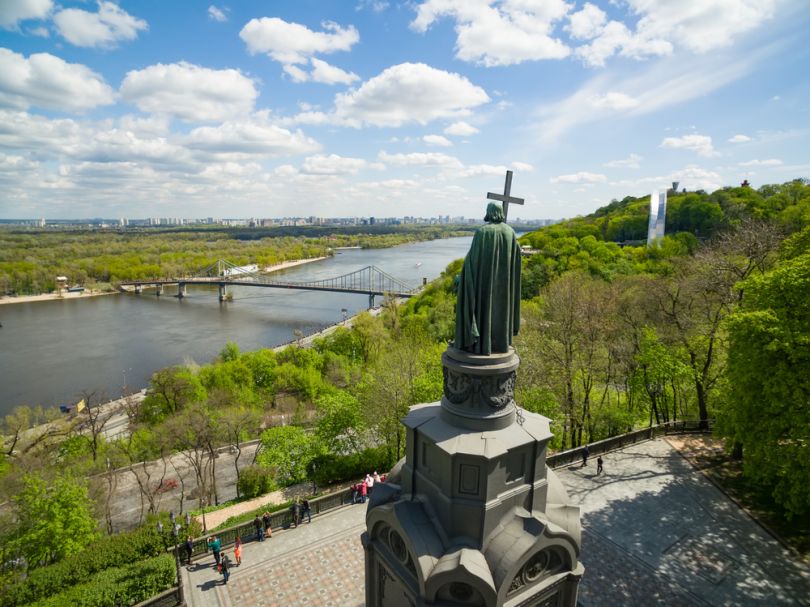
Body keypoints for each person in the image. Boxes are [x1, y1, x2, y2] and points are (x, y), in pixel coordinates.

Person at [454, 202, 521, 355]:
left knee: (482, 307)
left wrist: (461, 278)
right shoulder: (511, 233)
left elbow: (471, 263)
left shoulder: (482, 232)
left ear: (489, 212)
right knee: (500, 310)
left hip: (483, 287)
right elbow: (515, 263)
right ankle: (500, 343)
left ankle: (479, 344)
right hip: (504, 288)